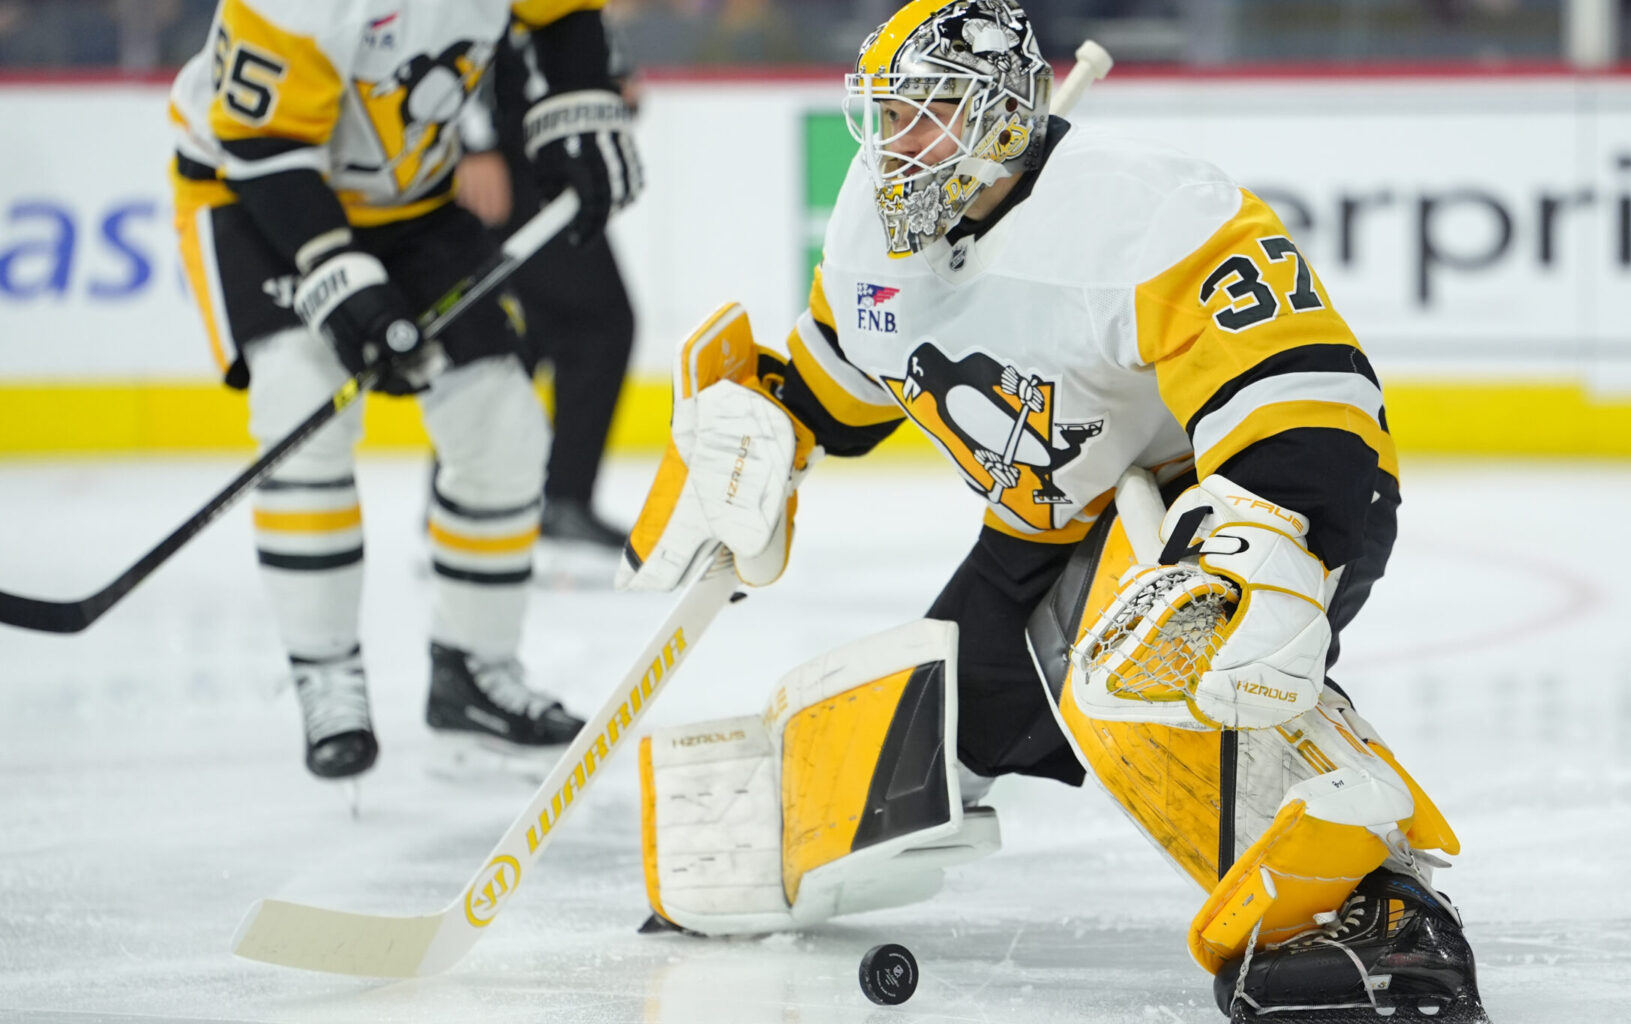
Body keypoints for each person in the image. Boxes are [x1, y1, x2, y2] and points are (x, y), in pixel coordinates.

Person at [616, 2, 1486, 1020]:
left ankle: (1374, 916)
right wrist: (773, 421)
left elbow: (1303, 391)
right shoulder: (876, 212)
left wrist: (1267, 541)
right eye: (888, 114)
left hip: (1219, 510)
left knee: (1147, 662)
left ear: (1003, 119)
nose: (898, 144)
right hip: (1047, 528)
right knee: (905, 740)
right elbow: (852, 369)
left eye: (930, 113)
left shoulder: (1151, 211)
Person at [167, 0, 641, 780]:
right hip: (252, 192)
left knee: (503, 426)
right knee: (299, 407)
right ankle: (327, 677)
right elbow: (265, 141)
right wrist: (337, 271)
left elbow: (563, 15)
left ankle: (473, 674)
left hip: (413, 204)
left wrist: (575, 108)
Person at [453, 23, 640, 557]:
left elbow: (566, 30)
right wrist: (472, 141)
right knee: (593, 321)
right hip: (506, 158)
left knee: (530, 326)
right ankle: (542, 501)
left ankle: (470, 502)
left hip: (534, 151)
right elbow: (453, 22)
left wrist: (609, 86)